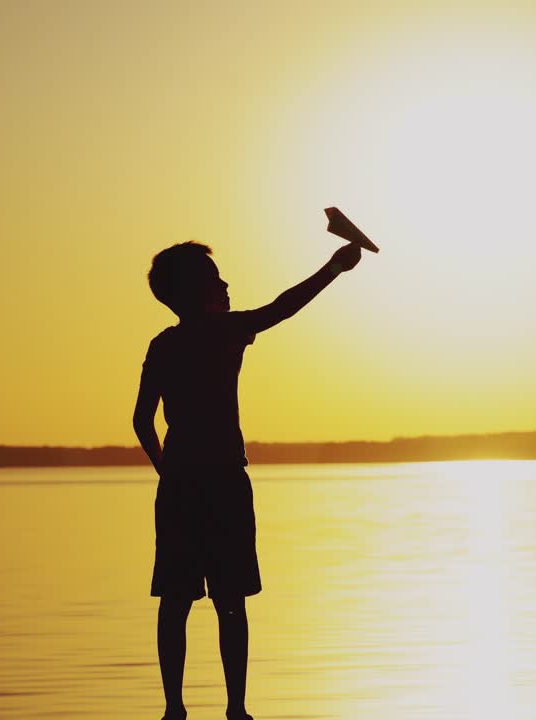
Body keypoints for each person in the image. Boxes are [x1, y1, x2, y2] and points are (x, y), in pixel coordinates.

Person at [133, 238, 363, 720]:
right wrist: (335, 266)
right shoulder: (224, 330)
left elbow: (141, 421)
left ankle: (174, 709)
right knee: (230, 600)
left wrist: (166, 469)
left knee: (175, 601)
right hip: (223, 484)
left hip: (178, 486)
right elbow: (283, 307)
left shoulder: (163, 345)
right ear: (198, 290)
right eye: (216, 278)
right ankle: (235, 709)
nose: (226, 283)